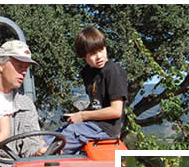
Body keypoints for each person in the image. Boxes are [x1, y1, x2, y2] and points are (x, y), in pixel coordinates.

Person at [43, 26, 128, 154]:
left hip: (106, 129)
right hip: (92, 125)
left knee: (68, 135)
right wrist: (78, 114)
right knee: (49, 136)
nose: (99, 56)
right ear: (83, 56)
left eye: (101, 50)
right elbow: (97, 105)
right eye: (93, 53)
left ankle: (48, 153)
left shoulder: (112, 71)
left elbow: (116, 111)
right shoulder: (88, 73)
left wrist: (83, 116)